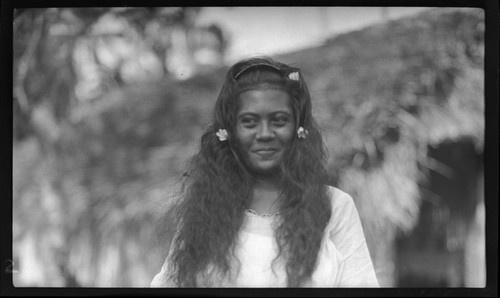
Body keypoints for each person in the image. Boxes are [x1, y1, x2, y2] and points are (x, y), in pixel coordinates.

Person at [151, 56, 379, 287]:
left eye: (279, 120)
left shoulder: (334, 206)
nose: (264, 133)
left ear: (299, 129)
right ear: (229, 132)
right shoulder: (204, 208)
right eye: (249, 122)